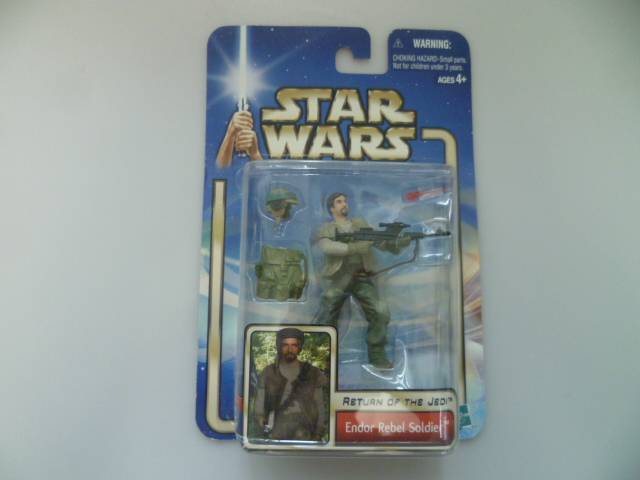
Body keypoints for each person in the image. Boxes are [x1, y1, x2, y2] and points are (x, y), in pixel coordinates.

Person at [313, 193, 411, 368]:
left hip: (361, 277)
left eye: (345, 201)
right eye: (339, 202)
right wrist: (354, 248)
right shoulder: (327, 228)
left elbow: (378, 242)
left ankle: (377, 355)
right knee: (327, 308)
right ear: (331, 208)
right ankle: (320, 353)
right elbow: (326, 246)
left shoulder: (360, 224)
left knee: (380, 311)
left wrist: (396, 243)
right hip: (339, 277)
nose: (344, 204)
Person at [254, 328, 327, 441]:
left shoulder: (312, 373)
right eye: (285, 345)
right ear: (279, 347)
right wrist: (262, 422)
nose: (290, 349)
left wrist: (318, 433)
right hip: (277, 429)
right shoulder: (268, 373)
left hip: (306, 429)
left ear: (299, 347)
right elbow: (259, 406)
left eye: (294, 345)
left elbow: (320, 406)